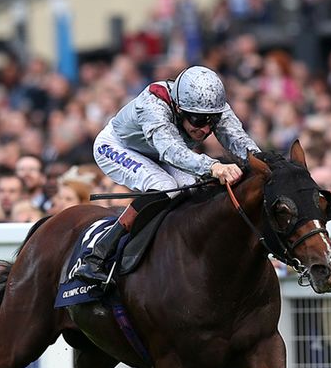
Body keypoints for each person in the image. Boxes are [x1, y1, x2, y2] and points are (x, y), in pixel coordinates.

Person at [74, 65, 260, 285]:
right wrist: (214, 166)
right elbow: (171, 151)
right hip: (119, 146)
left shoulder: (213, 106)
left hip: (160, 151)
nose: (206, 130)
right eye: (198, 120)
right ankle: (97, 255)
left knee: (193, 188)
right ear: (179, 109)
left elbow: (239, 142)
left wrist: (264, 163)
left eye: (213, 121)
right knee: (163, 186)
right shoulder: (153, 104)